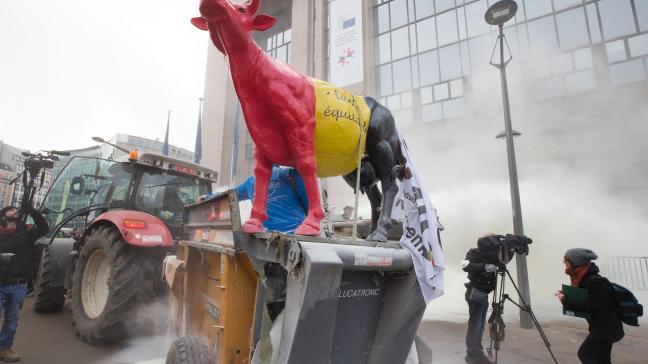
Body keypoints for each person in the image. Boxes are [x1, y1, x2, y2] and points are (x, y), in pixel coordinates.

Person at [555, 248, 624, 364]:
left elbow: (593, 307)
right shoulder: (584, 279)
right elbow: (588, 298)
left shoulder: (595, 282)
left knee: (585, 353)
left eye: (566, 264)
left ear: (576, 264)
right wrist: (567, 294)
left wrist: (566, 300)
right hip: (601, 327)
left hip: (607, 329)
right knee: (602, 359)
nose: (565, 267)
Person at [0, 205, 49, 362]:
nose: (15, 211)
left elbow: (44, 228)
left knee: (12, 319)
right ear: (3, 214)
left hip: (18, 283)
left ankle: (4, 348)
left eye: (17, 210)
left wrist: (33, 211)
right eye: (11, 209)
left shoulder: (26, 233)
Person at [461, 235, 499, 364]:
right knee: (475, 326)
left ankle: (476, 353)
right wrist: (485, 267)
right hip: (476, 293)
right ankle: (473, 355)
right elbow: (465, 265)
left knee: (479, 326)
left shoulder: (492, 255)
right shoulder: (474, 253)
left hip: (482, 294)